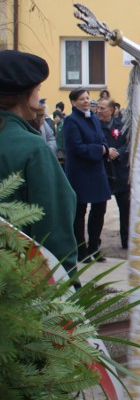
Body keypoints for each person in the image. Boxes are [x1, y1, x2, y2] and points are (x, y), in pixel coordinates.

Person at [0, 50, 78, 275]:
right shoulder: (32, 148)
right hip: (19, 288)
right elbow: (53, 231)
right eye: (38, 88)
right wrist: (68, 291)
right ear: (25, 94)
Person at [63, 88, 112, 263]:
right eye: (81, 98)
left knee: (100, 208)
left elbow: (103, 139)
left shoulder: (93, 118)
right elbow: (76, 147)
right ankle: (81, 250)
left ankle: (94, 246)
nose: (86, 101)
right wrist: (99, 150)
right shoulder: (71, 121)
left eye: (87, 98)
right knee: (80, 211)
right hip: (80, 172)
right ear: (73, 102)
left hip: (97, 171)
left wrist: (104, 148)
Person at [97, 99, 131, 249]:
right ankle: (95, 242)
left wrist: (119, 152)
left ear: (111, 110)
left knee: (126, 208)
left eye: (102, 108)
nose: (99, 111)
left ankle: (127, 240)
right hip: (103, 171)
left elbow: (129, 143)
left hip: (121, 172)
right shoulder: (95, 125)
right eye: (97, 108)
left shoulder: (122, 124)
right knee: (99, 209)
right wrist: (105, 152)